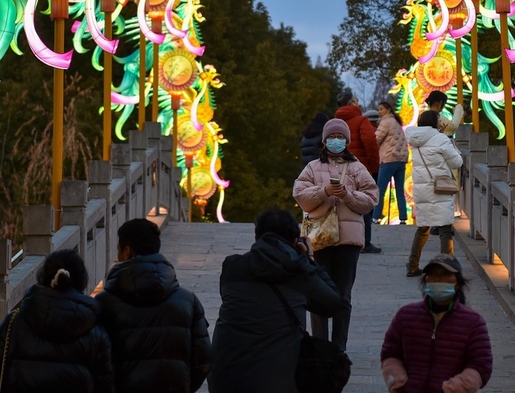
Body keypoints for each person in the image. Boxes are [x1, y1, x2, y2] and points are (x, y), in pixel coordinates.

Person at [208, 208, 346, 393]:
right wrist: (309, 259)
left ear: (256, 237)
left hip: (224, 379)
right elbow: (334, 304)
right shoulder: (299, 272)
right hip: (280, 381)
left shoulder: (232, 267)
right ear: (295, 241)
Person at [95, 218, 211, 393]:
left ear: (127, 251)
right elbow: (203, 360)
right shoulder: (188, 301)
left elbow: (95, 360)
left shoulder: (104, 303)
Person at [293, 117, 379, 351]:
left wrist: (347, 196)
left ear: (347, 141)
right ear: (324, 140)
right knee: (318, 295)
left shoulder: (357, 168)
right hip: (319, 240)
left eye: (340, 137)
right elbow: (300, 196)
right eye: (332, 137)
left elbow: (371, 198)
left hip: (348, 242)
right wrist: (324, 192)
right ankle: (320, 346)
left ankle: (339, 347)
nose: (336, 141)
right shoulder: (312, 168)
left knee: (343, 296)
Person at [0, 249, 113, 393]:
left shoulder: (13, 323)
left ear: (43, 277)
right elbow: (105, 386)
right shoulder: (95, 332)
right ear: (81, 281)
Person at [380, 254, 493, 392]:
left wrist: (454, 388)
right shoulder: (406, 315)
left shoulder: (473, 322)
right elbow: (390, 353)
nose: (438, 279)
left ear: (457, 283)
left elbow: (481, 365)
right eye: (432, 274)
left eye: (445, 274)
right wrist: (398, 381)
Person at [404, 110, 463, 276]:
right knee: (445, 229)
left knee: (423, 228)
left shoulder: (414, 140)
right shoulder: (440, 138)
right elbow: (457, 162)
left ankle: (412, 265)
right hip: (439, 188)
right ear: (435, 122)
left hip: (422, 189)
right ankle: (447, 268)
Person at [334, 90, 382, 253]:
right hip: (362, 169)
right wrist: (375, 167)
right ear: (350, 104)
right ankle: (364, 241)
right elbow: (370, 142)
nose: (358, 103)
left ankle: (344, 239)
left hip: (339, 168)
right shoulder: (361, 120)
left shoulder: (334, 122)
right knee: (364, 204)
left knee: (343, 203)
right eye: (355, 101)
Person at [373, 101, 409, 225]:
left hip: (388, 159)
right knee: (399, 190)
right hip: (401, 160)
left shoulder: (386, 122)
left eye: (381, 109)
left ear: (388, 109)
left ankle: (376, 216)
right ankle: (403, 217)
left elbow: (376, 139)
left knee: (380, 189)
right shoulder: (397, 123)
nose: (379, 112)